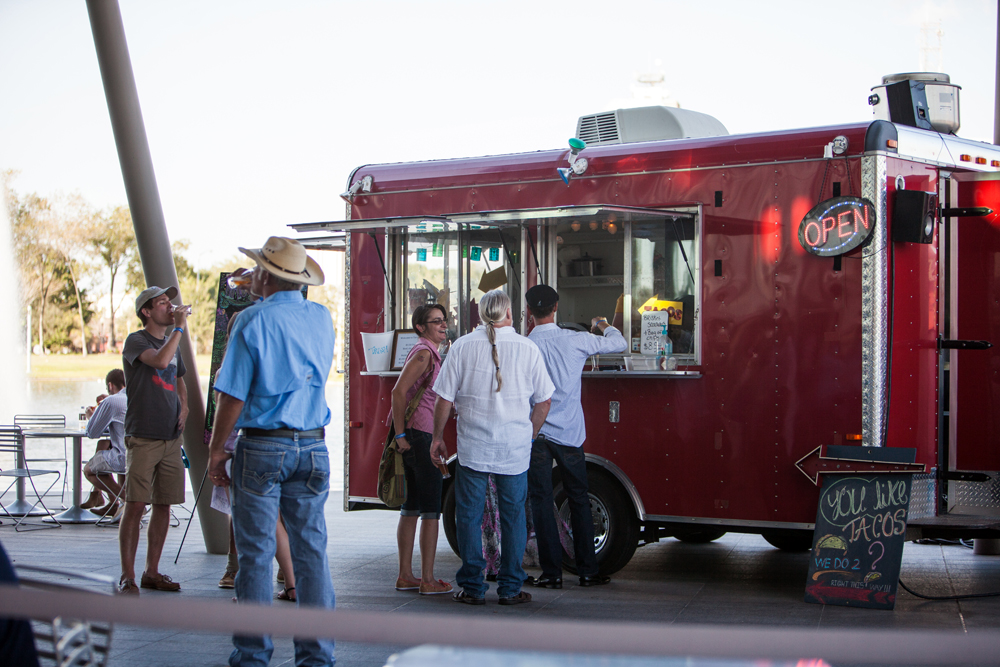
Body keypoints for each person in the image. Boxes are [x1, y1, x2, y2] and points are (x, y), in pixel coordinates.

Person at [207, 236, 335, 667]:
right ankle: (318, 656)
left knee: (256, 556)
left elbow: (232, 396)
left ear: (266, 273)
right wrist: (260, 286)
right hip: (314, 446)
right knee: (311, 553)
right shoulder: (321, 318)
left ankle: (252, 656)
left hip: (264, 447)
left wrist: (215, 452)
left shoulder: (249, 322)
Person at [430, 289, 554, 605]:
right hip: (514, 450)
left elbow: (443, 399)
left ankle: (473, 587)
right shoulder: (528, 348)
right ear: (509, 314)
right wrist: (529, 434)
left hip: (474, 449)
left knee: (468, 516)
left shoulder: (461, 347)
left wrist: (437, 437)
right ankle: (511, 588)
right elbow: (544, 400)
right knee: (513, 518)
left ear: (482, 314)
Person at [525, 284, 626, 588]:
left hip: (536, 432)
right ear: (556, 307)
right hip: (569, 433)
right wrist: (603, 325)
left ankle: (552, 573)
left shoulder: (523, 346)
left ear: (529, 311)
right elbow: (618, 343)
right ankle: (588, 570)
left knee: (542, 502)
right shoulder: (576, 340)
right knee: (579, 499)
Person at [119, 286, 189, 596]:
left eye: (170, 301)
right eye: (162, 302)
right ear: (147, 311)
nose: (170, 306)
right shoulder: (137, 340)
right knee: (135, 504)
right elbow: (161, 362)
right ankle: (128, 576)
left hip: (171, 437)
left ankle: (152, 571)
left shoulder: (173, 341)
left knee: (164, 504)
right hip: (143, 435)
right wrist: (179, 328)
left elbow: (178, 377)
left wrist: (184, 405)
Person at [390, 303, 453, 595]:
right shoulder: (425, 353)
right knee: (430, 510)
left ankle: (406, 575)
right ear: (420, 326)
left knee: (411, 507)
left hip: (416, 433)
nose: (443, 324)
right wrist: (401, 435)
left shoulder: (428, 352)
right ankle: (427, 580)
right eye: (436, 321)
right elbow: (398, 392)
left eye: (444, 320)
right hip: (419, 435)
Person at [80, 369, 127, 517]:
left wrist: (90, 416)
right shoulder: (138, 397)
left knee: (88, 470)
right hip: (145, 455)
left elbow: (92, 433)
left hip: (125, 459)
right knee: (103, 446)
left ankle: (128, 499)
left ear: (110, 385)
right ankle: (111, 503)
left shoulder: (111, 402)